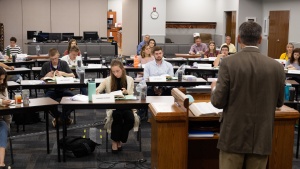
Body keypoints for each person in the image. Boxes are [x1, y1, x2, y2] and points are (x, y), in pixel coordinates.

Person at [210, 21, 285, 169]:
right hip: (261, 137)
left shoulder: (228, 63)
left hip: (233, 135)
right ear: (260, 40)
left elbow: (218, 102)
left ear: (238, 39)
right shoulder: (277, 66)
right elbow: (279, 102)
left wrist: (214, 89)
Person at [96, 59, 139, 154]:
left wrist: (127, 93)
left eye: (117, 71)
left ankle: (119, 139)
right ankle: (115, 142)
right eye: (113, 71)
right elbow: (99, 88)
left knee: (130, 119)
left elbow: (131, 95)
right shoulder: (108, 80)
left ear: (122, 69)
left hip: (126, 105)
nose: (115, 73)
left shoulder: (129, 79)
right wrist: (97, 91)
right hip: (114, 107)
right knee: (117, 117)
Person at [40, 48, 75, 127]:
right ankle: (62, 117)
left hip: (63, 89)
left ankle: (60, 118)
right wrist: (47, 75)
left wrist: (63, 73)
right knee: (46, 101)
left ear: (58, 56)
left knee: (75, 100)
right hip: (51, 90)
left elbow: (72, 75)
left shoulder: (63, 63)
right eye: (52, 59)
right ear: (50, 58)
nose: (54, 61)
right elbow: (40, 79)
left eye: (56, 58)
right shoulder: (46, 65)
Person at [0, 66, 12, 169]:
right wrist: (1, 101)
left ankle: (1, 162)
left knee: (4, 126)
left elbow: (6, 106)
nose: (2, 81)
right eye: (0, 79)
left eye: (3, 79)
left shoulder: (4, 87)